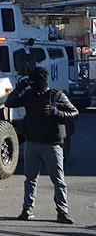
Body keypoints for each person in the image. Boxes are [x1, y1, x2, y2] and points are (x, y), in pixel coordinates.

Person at [5, 66, 78, 224]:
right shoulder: (29, 95)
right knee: (30, 179)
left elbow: (74, 113)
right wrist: (20, 87)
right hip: (32, 143)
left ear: (40, 81)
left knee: (58, 180)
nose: (30, 83)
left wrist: (57, 113)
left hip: (52, 144)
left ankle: (62, 212)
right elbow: (9, 103)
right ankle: (27, 210)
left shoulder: (57, 95)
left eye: (32, 81)